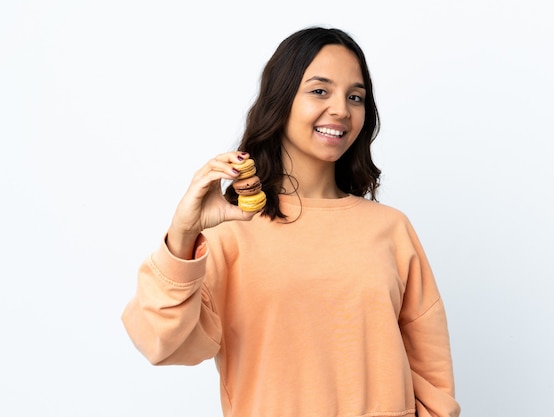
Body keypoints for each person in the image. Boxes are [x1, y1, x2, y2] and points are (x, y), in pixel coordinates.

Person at [122, 26, 461, 417]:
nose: (341, 109)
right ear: (280, 101)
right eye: (320, 90)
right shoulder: (229, 233)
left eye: (355, 97)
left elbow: (432, 375)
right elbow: (159, 343)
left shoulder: (391, 229)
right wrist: (183, 236)